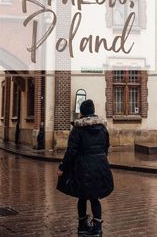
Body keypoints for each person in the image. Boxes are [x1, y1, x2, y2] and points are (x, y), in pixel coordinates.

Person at [56, 99, 114, 236]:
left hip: (82, 168)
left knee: (82, 197)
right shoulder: (103, 128)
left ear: (81, 113)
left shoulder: (78, 129)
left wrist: (62, 166)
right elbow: (106, 147)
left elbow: (71, 151)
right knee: (95, 198)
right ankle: (98, 228)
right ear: (93, 111)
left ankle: (82, 226)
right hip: (100, 167)